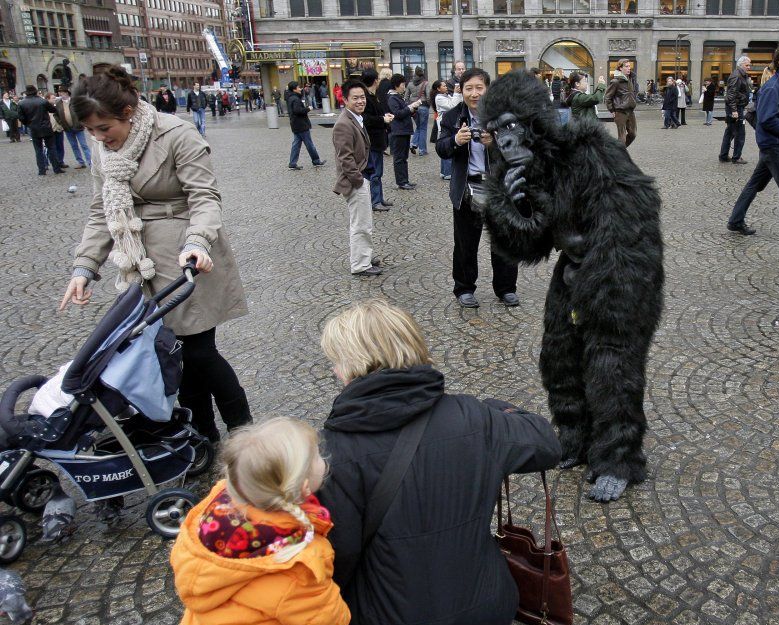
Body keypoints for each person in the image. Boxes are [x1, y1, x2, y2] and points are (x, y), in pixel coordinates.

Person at [316, 300, 560, 625]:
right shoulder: (473, 418)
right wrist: (493, 408)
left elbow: (339, 555)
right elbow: (546, 443)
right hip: (485, 604)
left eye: (336, 361)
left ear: (354, 364)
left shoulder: (331, 450)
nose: (334, 370)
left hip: (389, 613)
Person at [62, 66, 253, 439]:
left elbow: (205, 196)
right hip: (139, 261)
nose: (98, 138)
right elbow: (102, 209)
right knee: (173, 353)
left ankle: (242, 426)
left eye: (104, 129)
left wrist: (197, 241)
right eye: (89, 130)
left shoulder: (176, 133)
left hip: (187, 254)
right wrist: (84, 267)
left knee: (198, 350)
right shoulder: (103, 148)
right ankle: (202, 431)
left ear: (128, 114)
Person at [171, 418, 351, 625]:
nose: (324, 458)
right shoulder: (299, 567)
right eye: (318, 455)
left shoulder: (214, 513)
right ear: (304, 488)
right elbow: (329, 619)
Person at [436, 68, 520, 308]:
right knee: (465, 242)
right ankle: (464, 288)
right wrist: (455, 141)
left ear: (487, 89)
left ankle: (506, 288)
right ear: (461, 91)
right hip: (466, 187)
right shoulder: (452, 117)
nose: (474, 94)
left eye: (479, 88)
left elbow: (517, 150)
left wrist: (493, 144)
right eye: (468, 88)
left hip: (497, 187)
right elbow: (441, 148)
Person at [727, 45, 779, 242]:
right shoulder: (773, 87)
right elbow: (767, 119)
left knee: (754, 185)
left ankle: (735, 220)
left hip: (775, 144)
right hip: (774, 146)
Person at [334, 80, 388, 277]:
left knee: (365, 223)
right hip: (356, 181)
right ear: (346, 99)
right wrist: (358, 181)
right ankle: (360, 265)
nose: (360, 101)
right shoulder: (343, 124)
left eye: (362, 97)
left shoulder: (356, 118)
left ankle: (364, 256)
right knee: (361, 224)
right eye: (355, 98)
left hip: (362, 177)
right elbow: (344, 158)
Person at [360, 69, 394, 211]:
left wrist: (385, 116)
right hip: (372, 141)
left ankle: (379, 198)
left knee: (378, 172)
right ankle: (375, 201)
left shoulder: (372, 96)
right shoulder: (366, 98)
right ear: (375, 81)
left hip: (377, 139)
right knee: (375, 172)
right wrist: (383, 119)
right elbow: (366, 119)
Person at [386, 74, 421, 190]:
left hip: (404, 130)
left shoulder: (398, 96)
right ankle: (401, 181)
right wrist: (410, 108)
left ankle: (405, 180)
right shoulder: (392, 98)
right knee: (399, 158)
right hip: (398, 131)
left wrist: (413, 109)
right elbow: (398, 113)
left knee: (404, 157)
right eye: (402, 85)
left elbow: (404, 111)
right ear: (396, 85)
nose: (404, 87)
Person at [17, 85, 62, 175]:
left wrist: (28, 124)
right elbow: (53, 110)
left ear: (26, 92)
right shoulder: (42, 101)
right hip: (46, 128)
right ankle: (56, 169)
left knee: (38, 150)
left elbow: (21, 118)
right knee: (52, 148)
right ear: (35, 91)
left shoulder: (22, 103)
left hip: (34, 128)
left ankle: (41, 170)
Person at [285, 81, 325, 170]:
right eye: (299, 87)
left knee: (296, 144)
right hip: (301, 124)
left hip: (295, 124)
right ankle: (316, 161)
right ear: (294, 89)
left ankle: (292, 163)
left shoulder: (291, 97)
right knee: (309, 144)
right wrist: (308, 109)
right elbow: (298, 111)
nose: (300, 88)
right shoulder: (295, 99)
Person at [720, 56, 752, 164]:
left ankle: (723, 155)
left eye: (749, 65)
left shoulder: (739, 75)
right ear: (741, 65)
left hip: (737, 107)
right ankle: (736, 157)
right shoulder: (737, 76)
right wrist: (734, 111)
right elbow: (731, 94)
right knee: (739, 133)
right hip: (736, 108)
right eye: (747, 65)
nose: (749, 67)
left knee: (730, 132)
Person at [54, 85, 90, 168]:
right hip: (67, 128)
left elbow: (82, 111)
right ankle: (80, 162)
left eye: (62, 92)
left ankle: (90, 162)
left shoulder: (74, 101)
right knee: (74, 146)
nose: (60, 94)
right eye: (59, 92)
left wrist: (82, 121)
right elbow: (56, 115)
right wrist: (61, 122)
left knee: (84, 145)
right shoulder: (58, 103)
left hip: (78, 127)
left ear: (66, 93)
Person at [432, 79, 462, 179]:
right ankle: (448, 172)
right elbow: (452, 106)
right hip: (444, 124)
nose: (446, 87)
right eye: (443, 86)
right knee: (447, 145)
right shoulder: (439, 98)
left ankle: (444, 172)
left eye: (445, 85)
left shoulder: (446, 95)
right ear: (438, 88)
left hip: (445, 123)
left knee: (444, 144)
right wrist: (457, 94)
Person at [604, 60, 638, 146]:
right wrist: (612, 110)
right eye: (626, 66)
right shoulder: (615, 81)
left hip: (630, 111)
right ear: (620, 68)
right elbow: (607, 97)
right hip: (620, 111)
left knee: (633, 134)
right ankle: (620, 155)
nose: (629, 68)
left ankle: (618, 151)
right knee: (622, 138)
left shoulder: (630, 79)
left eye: (629, 66)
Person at [405, 67, 430, 156]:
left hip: (413, 107)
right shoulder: (425, 83)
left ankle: (413, 143)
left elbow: (406, 97)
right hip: (423, 106)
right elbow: (428, 97)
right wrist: (428, 104)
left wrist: (410, 106)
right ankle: (422, 150)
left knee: (418, 126)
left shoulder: (410, 84)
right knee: (423, 128)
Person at [46, 92, 68, 170]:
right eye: (53, 98)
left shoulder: (57, 106)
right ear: (47, 99)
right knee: (51, 147)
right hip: (50, 130)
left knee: (60, 146)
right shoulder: (44, 107)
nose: (54, 99)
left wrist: (62, 124)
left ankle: (60, 161)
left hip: (59, 129)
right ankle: (49, 162)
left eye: (55, 98)